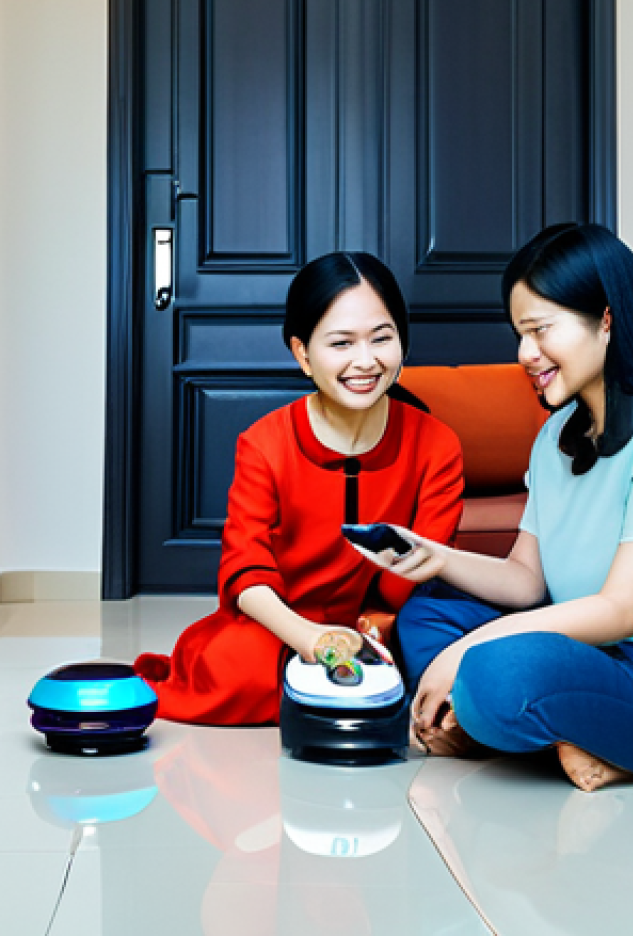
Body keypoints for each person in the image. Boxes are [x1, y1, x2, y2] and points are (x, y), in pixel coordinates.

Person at [361, 223, 633, 791]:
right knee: (424, 615)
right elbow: (527, 580)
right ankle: (574, 736)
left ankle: (589, 737)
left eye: (541, 330)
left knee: (495, 674)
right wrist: (436, 558)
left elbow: (624, 611)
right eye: (519, 333)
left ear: (606, 319)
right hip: (579, 648)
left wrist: (473, 646)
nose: (525, 354)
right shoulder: (555, 435)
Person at [133, 253, 464, 725]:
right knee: (238, 667)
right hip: (280, 626)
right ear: (302, 353)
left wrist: (368, 632)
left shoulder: (437, 444)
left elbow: (414, 577)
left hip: (384, 622)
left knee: (437, 649)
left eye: (382, 338)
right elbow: (245, 574)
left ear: (403, 343)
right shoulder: (264, 443)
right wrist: (311, 640)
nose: (365, 361)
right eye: (341, 343)